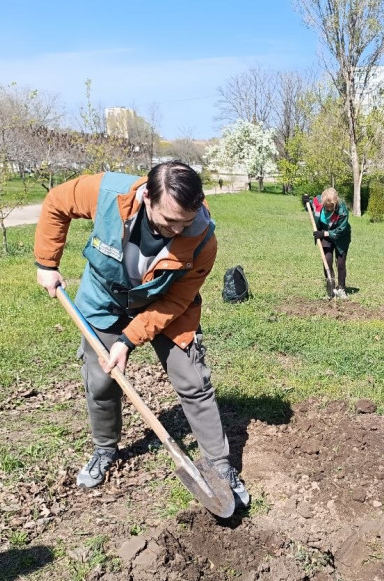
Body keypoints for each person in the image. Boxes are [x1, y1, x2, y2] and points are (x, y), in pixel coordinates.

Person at [34, 161, 249, 508]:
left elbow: (178, 299)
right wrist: (47, 263)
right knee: (102, 381)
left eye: (185, 222)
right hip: (105, 296)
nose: (177, 231)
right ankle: (105, 449)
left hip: (165, 303)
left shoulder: (203, 240)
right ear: (148, 196)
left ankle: (220, 467)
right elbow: (57, 202)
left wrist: (128, 338)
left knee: (193, 381)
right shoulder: (107, 193)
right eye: (169, 221)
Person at [309, 187, 351, 299]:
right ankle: (331, 288)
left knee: (341, 263)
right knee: (327, 261)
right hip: (324, 234)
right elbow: (311, 204)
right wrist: (306, 201)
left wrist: (324, 234)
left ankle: (341, 288)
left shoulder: (342, 211)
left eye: (331, 207)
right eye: (326, 207)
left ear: (336, 202)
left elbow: (340, 230)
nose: (328, 209)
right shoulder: (319, 202)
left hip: (341, 237)